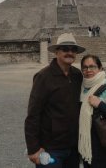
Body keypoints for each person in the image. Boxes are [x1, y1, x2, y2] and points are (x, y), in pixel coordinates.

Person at [25, 33, 86, 167]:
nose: (70, 52)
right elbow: (33, 114)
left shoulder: (77, 75)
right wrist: (33, 149)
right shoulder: (43, 77)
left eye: (73, 50)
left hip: (72, 146)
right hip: (50, 147)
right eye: (65, 49)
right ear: (56, 52)